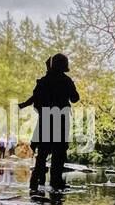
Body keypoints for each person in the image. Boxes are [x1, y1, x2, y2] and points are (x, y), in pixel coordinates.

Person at [19, 53, 79, 192]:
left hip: (46, 118)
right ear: (64, 65)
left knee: (43, 151)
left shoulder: (44, 81)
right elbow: (75, 98)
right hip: (61, 119)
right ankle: (55, 181)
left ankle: (35, 181)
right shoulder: (66, 81)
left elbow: (35, 97)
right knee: (59, 152)